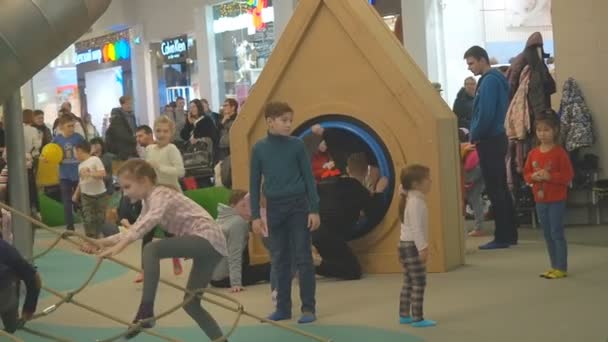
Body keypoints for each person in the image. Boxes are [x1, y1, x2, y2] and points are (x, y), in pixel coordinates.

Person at [80, 159, 228, 340]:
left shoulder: (160, 194)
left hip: (207, 237)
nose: (124, 194)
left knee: (151, 249)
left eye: (127, 187)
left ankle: (146, 311)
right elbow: (135, 229)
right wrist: (101, 243)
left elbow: (153, 219)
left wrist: (121, 246)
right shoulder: (148, 202)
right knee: (191, 304)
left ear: (143, 181)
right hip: (213, 247)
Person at [249, 101, 320, 324]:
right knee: (279, 258)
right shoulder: (259, 148)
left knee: (303, 257)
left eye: (291, 120)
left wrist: (314, 209)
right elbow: (253, 183)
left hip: (299, 206)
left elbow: (309, 179)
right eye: (284, 120)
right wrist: (255, 216)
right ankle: (283, 308)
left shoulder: (297, 145)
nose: (289, 124)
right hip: (274, 208)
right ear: (270, 122)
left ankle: (308, 307)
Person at [464, 45, 518, 249]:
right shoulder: (496, 80)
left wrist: (474, 134)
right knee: (501, 188)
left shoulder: (488, 82)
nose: (469, 68)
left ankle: (503, 237)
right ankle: (510, 234)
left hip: (489, 140)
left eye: (471, 63)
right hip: (497, 138)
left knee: (496, 190)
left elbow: (485, 113)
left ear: (482, 60)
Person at [523, 111, 574, 279]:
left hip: (557, 199)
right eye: (539, 130)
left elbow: (568, 176)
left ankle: (561, 267)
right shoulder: (533, 153)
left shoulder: (560, 153)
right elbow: (526, 173)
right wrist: (533, 177)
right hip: (540, 199)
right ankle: (553, 266)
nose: (542, 134)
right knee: (547, 234)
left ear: (555, 131)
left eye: (546, 130)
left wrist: (550, 176)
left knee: (556, 232)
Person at [139, 116, 186, 281]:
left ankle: (175, 257)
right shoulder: (149, 150)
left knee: (169, 232)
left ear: (171, 133)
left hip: (170, 194)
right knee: (147, 232)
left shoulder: (172, 149)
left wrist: (160, 167)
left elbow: (180, 171)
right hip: (153, 194)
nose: (161, 134)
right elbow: (147, 172)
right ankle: (144, 269)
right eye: (158, 131)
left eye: (165, 131)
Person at [397, 164, 436, 328]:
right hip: (413, 246)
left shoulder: (411, 199)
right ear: (415, 184)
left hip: (405, 245)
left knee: (408, 281)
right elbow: (416, 228)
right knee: (419, 282)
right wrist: (423, 248)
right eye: (427, 179)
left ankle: (404, 314)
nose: (431, 181)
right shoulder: (415, 203)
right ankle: (417, 318)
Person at [211, 190, 271, 291]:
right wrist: (235, 283)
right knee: (272, 269)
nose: (248, 210)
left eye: (250, 206)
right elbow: (234, 253)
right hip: (224, 276)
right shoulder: (238, 223)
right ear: (232, 206)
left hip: (212, 275)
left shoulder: (222, 219)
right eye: (243, 206)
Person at [50, 115, 86, 231]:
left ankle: (86, 224)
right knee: (66, 201)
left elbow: (86, 151)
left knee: (81, 200)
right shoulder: (57, 140)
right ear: (61, 127)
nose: (71, 128)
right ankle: (70, 227)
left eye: (73, 126)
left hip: (78, 175)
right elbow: (50, 153)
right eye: (69, 126)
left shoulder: (78, 138)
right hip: (64, 175)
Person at [0, 239, 42, 333]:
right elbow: (35, 279)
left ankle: (11, 325)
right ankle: (11, 325)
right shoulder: (6, 248)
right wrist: (28, 310)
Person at [72, 141, 107, 238]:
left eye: (74, 152)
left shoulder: (95, 159)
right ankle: (90, 238)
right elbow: (81, 181)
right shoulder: (80, 165)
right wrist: (76, 194)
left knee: (100, 217)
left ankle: (98, 237)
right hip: (86, 195)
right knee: (88, 218)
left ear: (79, 151)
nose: (74, 155)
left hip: (100, 194)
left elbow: (103, 174)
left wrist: (90, 174)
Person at [459, 128, 486, 237]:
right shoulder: (470, 145)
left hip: (472, 168)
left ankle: (462, 226)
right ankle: (479, 228)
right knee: (475, 197)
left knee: (462, 195)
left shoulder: (458, 146)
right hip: (482, 164)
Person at [106, 96, 137, 161]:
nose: (130, 105)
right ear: (122, 104)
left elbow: (134, 128)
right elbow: (120, 133)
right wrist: (134, 139)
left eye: (131, 103)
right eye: (128, 103)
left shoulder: (131, 116)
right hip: (121, 149)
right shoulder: (117, 116)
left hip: (131, 148)